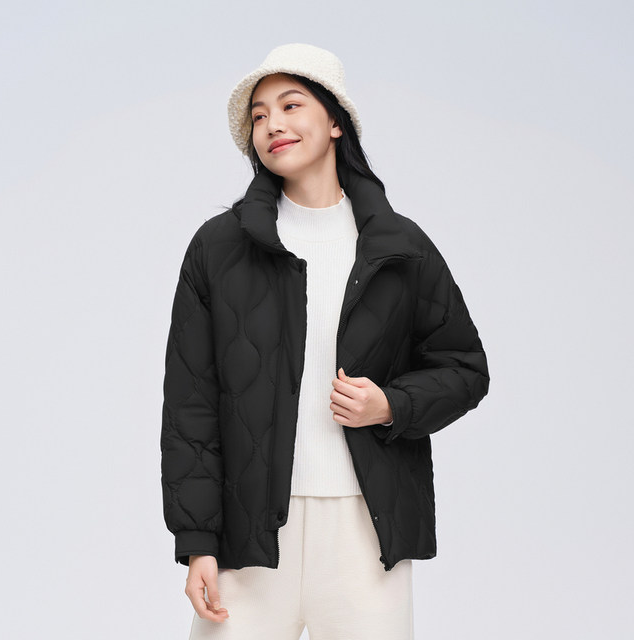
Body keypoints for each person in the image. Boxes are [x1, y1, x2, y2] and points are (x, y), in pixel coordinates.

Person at [160, 43, 490, 640]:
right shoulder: (218, 248)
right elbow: (191, 404)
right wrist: (198, 541)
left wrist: (390, 405)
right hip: (250, 535)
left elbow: (465, 368)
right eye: (259, 115)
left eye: (291, 105)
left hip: (366, 531)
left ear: (335, 121)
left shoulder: (400, 246)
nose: (272, 124)